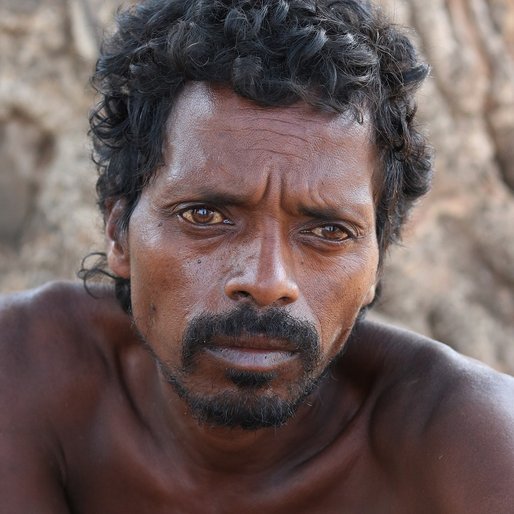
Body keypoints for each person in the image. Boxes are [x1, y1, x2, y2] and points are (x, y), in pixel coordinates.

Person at [1, 0, 513, 511]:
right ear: (119, 235)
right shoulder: (21, 375)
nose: (267, 281)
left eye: (328, 231)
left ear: (377, 261)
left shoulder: (474, 445)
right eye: (204, 216)